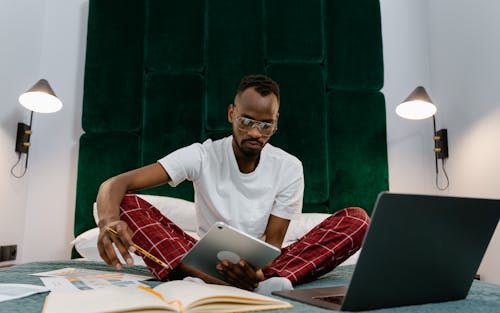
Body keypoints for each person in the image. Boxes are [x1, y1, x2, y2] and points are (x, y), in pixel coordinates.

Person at [96, 74, 369, 292]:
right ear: (231, 114)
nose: (254, 132)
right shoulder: (202, 155)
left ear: (276, 123)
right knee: (126, 204)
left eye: (266, 125)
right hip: (199, 261)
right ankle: (248, 283)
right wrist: (108, 222)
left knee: (358, 220)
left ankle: (259, 280)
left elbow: (274, 243)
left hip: (264, 265)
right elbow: (116, 183)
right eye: (246, 121)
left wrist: (258, 271)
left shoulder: (289, 167)